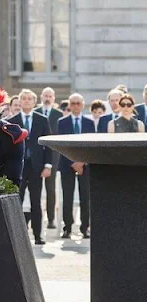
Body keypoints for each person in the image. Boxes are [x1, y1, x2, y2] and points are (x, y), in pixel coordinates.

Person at [8, 89, 53, 245]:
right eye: (24, 98)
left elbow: (48, 145)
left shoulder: (42, 120)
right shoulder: (12, 120)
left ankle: (38, 235)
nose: (26, 101)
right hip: (18, 168)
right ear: (19, 101)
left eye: (29, 99)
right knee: (16, 202)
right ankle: (17, 236)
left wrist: (48, 165)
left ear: (34, 102)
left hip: (36, 167)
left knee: (36, 202)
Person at [57, 93, 95, 239]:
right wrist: (73, 162)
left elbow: (91, 145)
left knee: (85, 197)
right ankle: (67, 227)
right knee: (68, 197)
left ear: (83, 104)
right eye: (73, 103)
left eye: (78, 103)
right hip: (67, 165)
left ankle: (85, 227)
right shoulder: (62, 122)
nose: (76, 106)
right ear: (69, 105)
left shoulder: (89, 123)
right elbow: (62, 145)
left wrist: (81, 162)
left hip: (85, 165)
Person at [35, 87, 62, 230]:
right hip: (37, 156)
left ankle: (51, 219)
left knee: (51, 189)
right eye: (45, 95)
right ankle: (34, 219)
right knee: (35, 190)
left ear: (54, 98)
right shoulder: (36, 113)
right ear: (41, 97)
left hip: (53, 157)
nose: (47, 98)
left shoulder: (59, 115)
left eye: (50, 96)